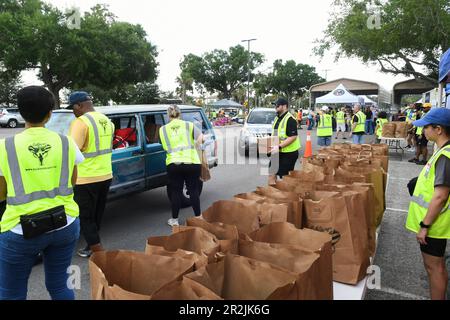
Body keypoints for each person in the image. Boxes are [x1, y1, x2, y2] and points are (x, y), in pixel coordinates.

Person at [0, 86, 83, 300]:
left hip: (21, 230)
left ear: (20, 112)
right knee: (60, 285)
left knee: (11, 293)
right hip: (65, 222)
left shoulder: (5, 146)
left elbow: (1, 193)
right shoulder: (66, 142)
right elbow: (72, 182)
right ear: (50, 113)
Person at [405, 108, 450, 300]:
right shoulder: (442, 150)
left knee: (434, 267)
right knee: (434, 266)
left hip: (434, 225)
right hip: (435, 223)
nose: (423, 131)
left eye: (426, 127)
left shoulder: (445, 155)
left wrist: (425, 226)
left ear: (438, 129)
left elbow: (440, 196)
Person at [67, 91, 114, 258]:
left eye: (72, 108)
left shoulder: (80, 122)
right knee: (96, 214)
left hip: (85, 177)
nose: (73, 111)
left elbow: (72, 152)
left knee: (85, 216)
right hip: (106, 174)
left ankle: (99, 254)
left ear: (79, 105)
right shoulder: (106, 120)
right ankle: (91, 244)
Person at [160, 105, 204, 227]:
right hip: (192, 162)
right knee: (193, 190)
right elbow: (201, 138)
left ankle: (174, 220)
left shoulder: (162, 129)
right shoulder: (188, 125)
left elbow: (163, 145)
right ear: (180, 114)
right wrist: (195, 145)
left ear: (168, 115)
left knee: (176, 191)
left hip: (174, 164)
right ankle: (198, 217)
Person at [268, 98, 301, 185]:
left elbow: (293, 136)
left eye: (277, 106)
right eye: (275, 106)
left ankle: (286, 196)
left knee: (285, 178)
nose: (275, 107)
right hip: (276, 151)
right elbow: (275, 134)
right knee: (271, 173)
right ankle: (272, 194)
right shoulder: (277, 118)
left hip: (289, 153)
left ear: (284, 106)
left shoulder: (290, 119)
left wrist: (279, 147)